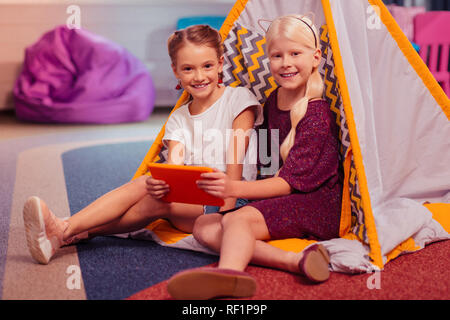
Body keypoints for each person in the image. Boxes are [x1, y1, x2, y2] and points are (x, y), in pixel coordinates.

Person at [23, 24, 262, 265]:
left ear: (220, 64)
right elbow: (174, 168)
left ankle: (67, 229)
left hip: (233, 200)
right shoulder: (179, 118)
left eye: (207, 66)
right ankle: (67, 230)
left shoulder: (239, 99)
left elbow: (236, 161)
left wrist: (227, 211)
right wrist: (166, 186)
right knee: (147, 184)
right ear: (175, 71)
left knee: (154, 201)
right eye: (188, 69)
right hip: (194, 198)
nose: (199, 76)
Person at [166, 15, 343, 300]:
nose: (286, 63)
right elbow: (270, 160)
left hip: (317, 203)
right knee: (203, 225)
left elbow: (289, 183)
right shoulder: (274, 100)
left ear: (315, 57)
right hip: (280, 193)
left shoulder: (316, 114)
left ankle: (229, 276)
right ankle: (296, 261)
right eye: (277, 55)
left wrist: (234, 189)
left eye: (295, 53)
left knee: (238, 220)